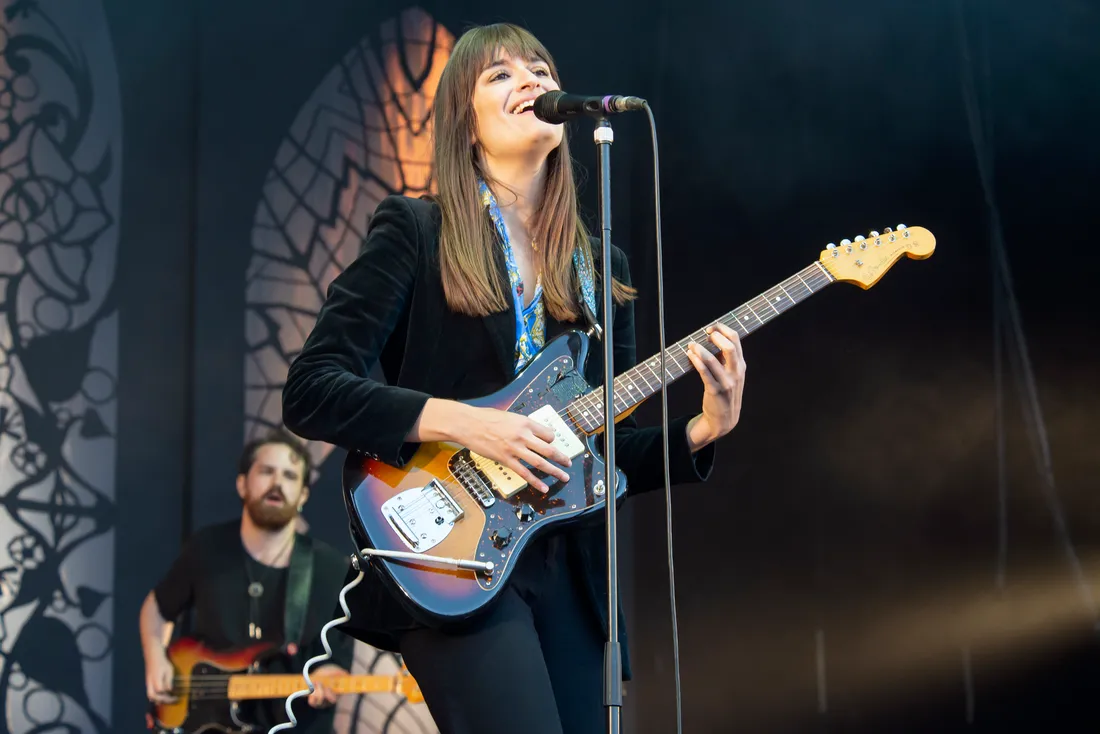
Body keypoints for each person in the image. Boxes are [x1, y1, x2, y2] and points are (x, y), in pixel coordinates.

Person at [282, 21, 747, 734]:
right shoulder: (415, 231)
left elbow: (603, 451)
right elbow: (312, 388)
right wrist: (469, 423)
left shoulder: (603, 269)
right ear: (463, 122)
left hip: (569, 568)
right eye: (500, 74)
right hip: (452, 553)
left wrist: (705, 428)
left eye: (540, 69)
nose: (531, 80)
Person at [139, 429, 355, 734]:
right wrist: (156, 658)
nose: (277, 483)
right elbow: (157, 608)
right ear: (242, 484)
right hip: (209, 724)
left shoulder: (331, 567)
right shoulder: (207, 548)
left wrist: (330, 676)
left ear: (304, 495)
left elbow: (338, 655)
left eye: (290, 476)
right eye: (267, 471)